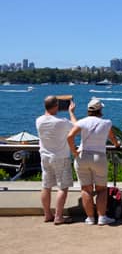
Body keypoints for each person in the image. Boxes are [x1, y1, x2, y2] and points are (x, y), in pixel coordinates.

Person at [66, 98, 121, 226]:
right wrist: (117, 144)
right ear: (100, 110)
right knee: (102, 190)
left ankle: (90, 218)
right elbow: (113, 138)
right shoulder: (106, 123)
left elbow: (70, 136)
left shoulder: (82, 122)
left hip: (82, 157)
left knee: (86, 189)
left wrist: (74, 151)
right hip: (98, 157)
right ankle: (102, 217)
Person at [36, 96, 76, 225]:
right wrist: (71, 112)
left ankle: (47, 214)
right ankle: (58, 216)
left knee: (46, 186)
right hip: (60, 157)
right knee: (62, 187)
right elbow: (77, 127)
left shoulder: (39, 121)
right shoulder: (62, 122)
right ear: (55, 106)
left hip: (45, 157)